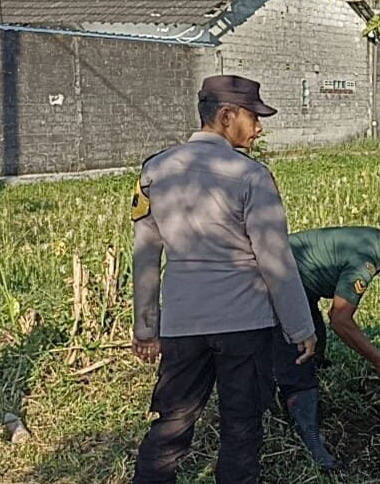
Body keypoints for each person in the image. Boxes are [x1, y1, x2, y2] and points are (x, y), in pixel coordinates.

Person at [130, 74, 317, 483]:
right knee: (241, 427)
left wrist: (146, 327)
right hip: (244, 326)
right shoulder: (252, 176)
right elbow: (275, 258)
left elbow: (145, 255)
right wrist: (300, 327)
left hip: (183, 325)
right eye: (253, 117)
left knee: (171, 423)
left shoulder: (154, 171)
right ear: (226, 115)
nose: (259, 127)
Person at [274, 220, 380, 471]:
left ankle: (299, 394)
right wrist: (379, 360)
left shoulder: (373, 241)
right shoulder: (366, 258)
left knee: (315, 342)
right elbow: (340, 320)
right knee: (300, 358)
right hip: (276, 280)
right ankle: (309, 438)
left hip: (297, 282)